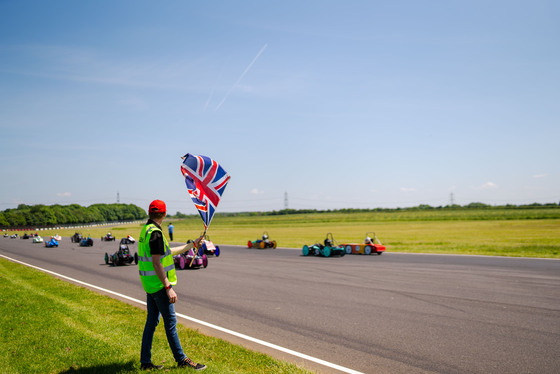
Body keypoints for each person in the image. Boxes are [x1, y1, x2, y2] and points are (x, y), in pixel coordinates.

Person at [138, 199, 207, 371]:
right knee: (170, 322)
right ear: (164, 214)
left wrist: (192, 245)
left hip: (150, 284)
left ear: (149, 213)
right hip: (159, 285)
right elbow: (156, 263)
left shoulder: (147, 230)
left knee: (151, 322)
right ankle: (181, 359)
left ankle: (145, 362)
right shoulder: (156, 233)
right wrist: (168, 287)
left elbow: (167, 252)